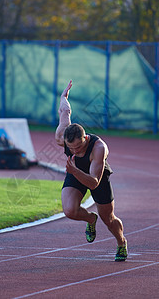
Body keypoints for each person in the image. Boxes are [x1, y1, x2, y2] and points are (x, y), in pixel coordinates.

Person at [55, 80, 127, 262]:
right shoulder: (62, 135)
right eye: (71, 149)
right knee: (70, 210)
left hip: (97, 177)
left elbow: (94, 182)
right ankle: (90, 219)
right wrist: (64, 96)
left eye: (79, 147)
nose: (75, 151)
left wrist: (74, 170)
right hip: (76, 172)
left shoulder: (98, 148)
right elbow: (65, 111)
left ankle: (121, 242)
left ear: (85, 138)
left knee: (109, 218)